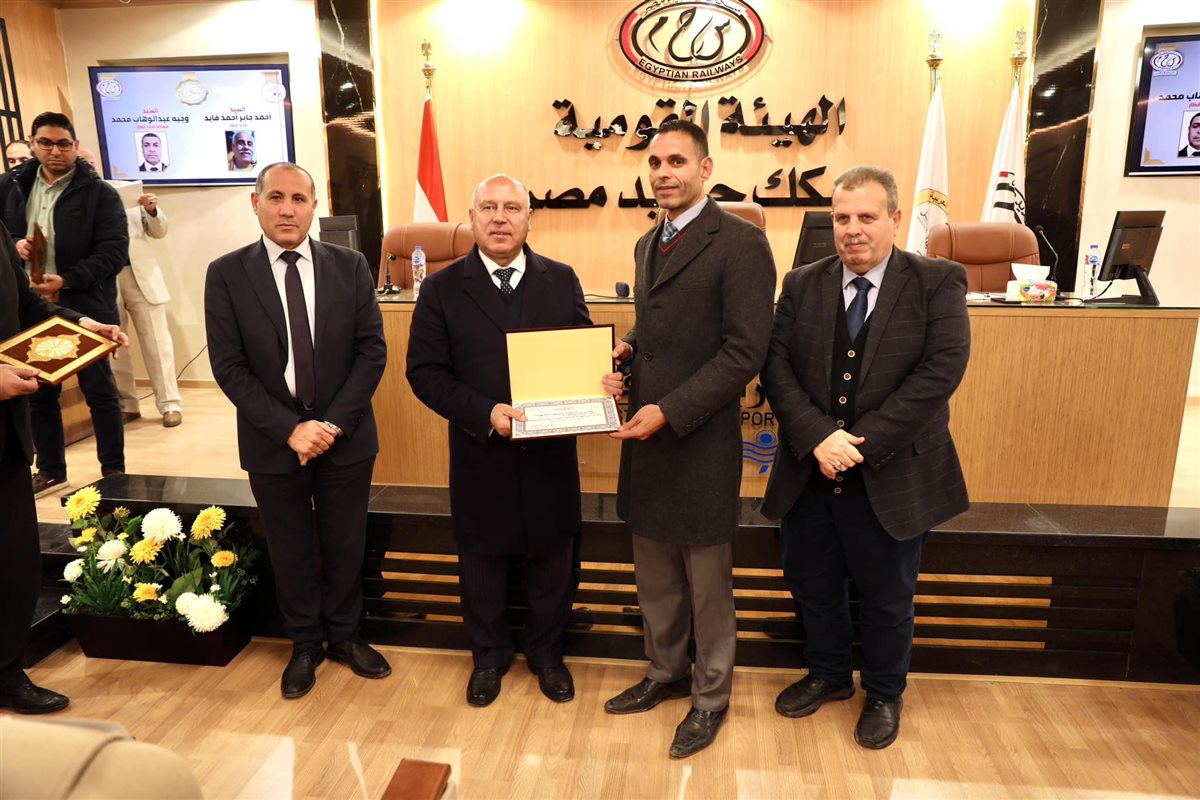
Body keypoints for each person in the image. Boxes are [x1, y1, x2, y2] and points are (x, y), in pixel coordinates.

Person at [759, 164, 971, 750]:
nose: (852, 229)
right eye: (842, 218)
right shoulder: (802, 283)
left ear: (895, 219)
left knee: (886, 595)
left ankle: (883, 693)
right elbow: (775, 367)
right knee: (814, 583)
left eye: (867, 217)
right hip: (810, 470)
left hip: (892, 473)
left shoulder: (936, 281)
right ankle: (828, 674)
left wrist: (857, 445)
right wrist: (818, 437)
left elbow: (940, 372)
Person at [600, 119, 776, 758]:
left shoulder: (741, 243)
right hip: (647, 440)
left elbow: (744, 352)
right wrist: (628, 349)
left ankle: (710, 697)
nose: (663, 173)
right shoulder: (648, 242)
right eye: (655, 163)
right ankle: (665, 672)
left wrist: (669, 411)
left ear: (705, 169)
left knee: (707, 584)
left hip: (698, 440)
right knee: (655, 577)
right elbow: (657, 326)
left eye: (676, 161)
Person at [205, 162, 390, 699]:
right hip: (272, 439)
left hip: (344, 436)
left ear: (314, 206)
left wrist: (329, 425)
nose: (287, 209)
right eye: (276, 197)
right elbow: (229, 366)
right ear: (256, 203)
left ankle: (345, 636)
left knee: (346, 543)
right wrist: (291, 429)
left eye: (299, 199)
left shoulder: (350, 265)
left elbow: (371, 352)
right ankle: (305, 643)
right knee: (289, 548)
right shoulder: (226, 273)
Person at [406, 174, 591, 708]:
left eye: (512, 208)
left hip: (550, 453)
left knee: (553, 561)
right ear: (471, 219)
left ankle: (547, 654)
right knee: (482, 565)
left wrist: (601, 378)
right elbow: (424, 373)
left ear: (530, 218)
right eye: (488, 207)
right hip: (481, 449)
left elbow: (581, 355)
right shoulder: (441, 288)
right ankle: (488, 657)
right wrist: (484, 413)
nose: (500, 218)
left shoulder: (561, 279)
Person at [1, 221, 127, 714]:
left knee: (14, 563)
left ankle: (6, 672)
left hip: (6, 437)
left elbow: (26, 307)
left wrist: (81, 325)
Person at [0, 112, 129, 498]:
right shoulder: (11, 185)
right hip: (29, 305)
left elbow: (113, 252)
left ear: (75, 145)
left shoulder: (99, 193)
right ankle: (51, 469)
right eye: (45, 143)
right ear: (33, 143)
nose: (54, 151)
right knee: (38, 392)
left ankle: (114, 473)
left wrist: (67, 280)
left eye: (63, 144)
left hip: (84, 302)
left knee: (100, 392)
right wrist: (16, 246)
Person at [77, 147, 183, 427]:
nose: (87, 167)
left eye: (90, 162)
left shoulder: (124, 191)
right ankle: (127, 405)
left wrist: (152, 210)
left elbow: (158, 231)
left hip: (140, 275)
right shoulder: (73, 201)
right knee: (115, 344)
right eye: (82, 163)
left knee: (157, 343)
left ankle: (170, 404)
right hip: (102, 280)